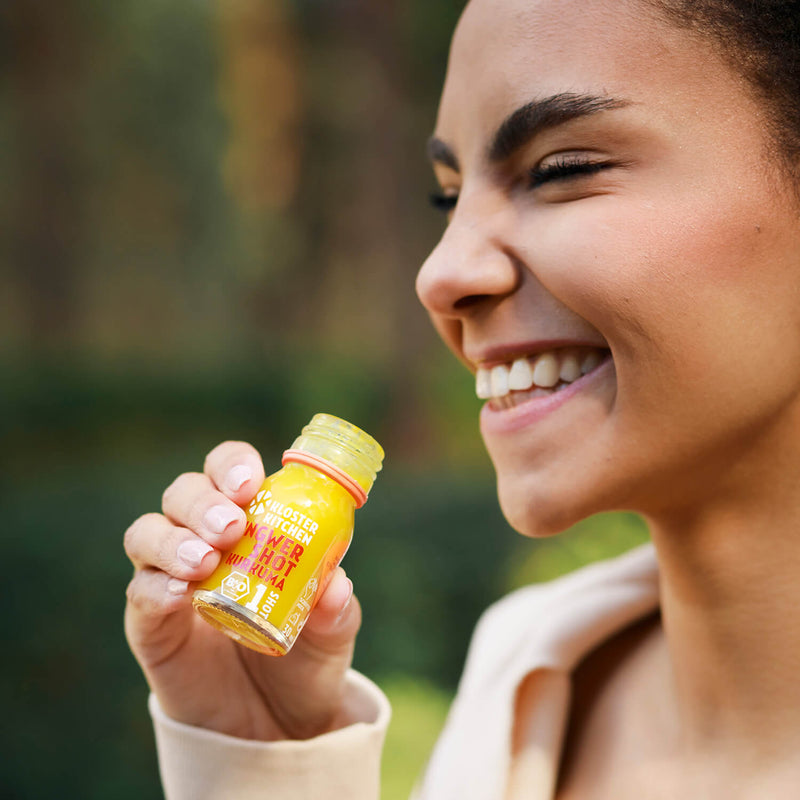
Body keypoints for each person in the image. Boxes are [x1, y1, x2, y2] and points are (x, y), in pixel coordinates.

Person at [123, 0, 800, 797]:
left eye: (564, 170)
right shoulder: (518, 680)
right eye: (449, 198)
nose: (440, 275)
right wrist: (266, 763)